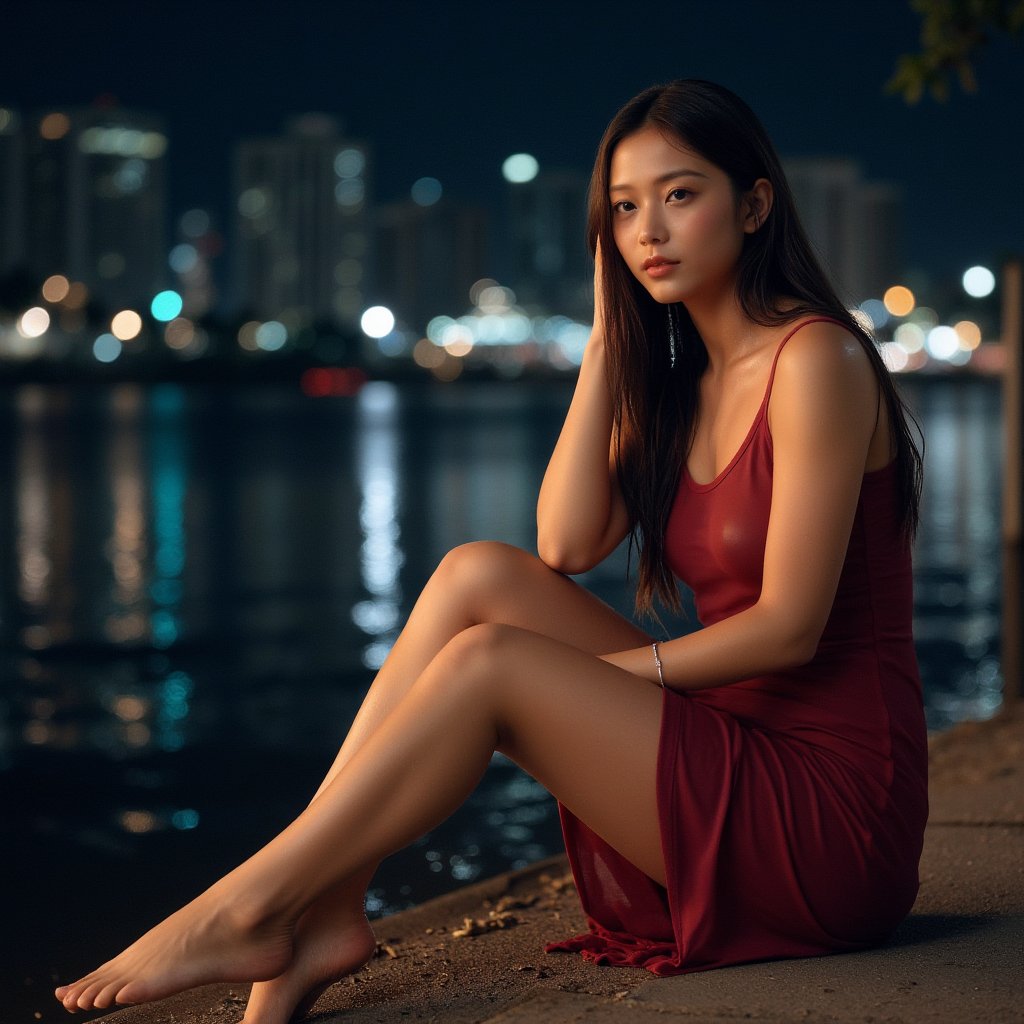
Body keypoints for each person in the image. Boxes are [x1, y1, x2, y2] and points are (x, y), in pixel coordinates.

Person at [55, 79, 927, 1022]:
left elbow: (790, 631)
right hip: (736, 747)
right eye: (625, 209)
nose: (648, 233)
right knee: (479, 572)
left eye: (681, 195)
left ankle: (251, 905)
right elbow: (563, 541)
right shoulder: (684, 382)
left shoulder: (816, 361)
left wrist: (617, 679)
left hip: (834, 815)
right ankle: (330, 903)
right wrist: (608, 341)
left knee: (492, 665)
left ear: (755, 204)